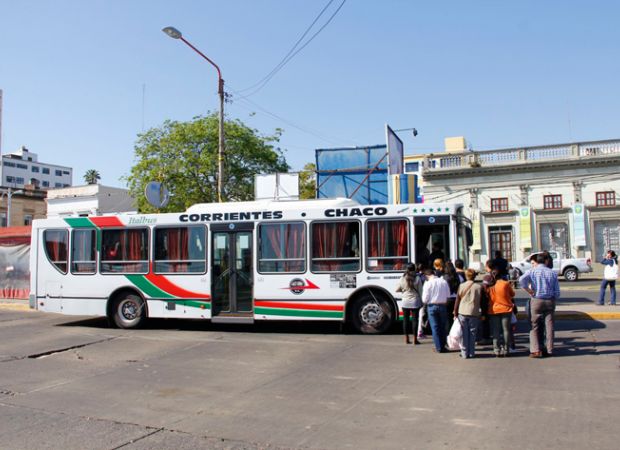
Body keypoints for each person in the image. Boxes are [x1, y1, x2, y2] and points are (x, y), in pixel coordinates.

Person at [519, 253, 560, 358]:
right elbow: (557, 291)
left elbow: (521, 280)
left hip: (537, 299)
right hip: (550, 300)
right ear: (545, 261)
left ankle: (536, 350)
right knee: (549, 326)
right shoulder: (552, 273)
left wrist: (529, 290)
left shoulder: (532, 271)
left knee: (534, 325)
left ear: (536, 262)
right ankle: (550, 349)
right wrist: (554, 298)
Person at [453, 269, 483, 358]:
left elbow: (457, 300)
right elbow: (482, 301)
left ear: (466, 276)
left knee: (463, 333)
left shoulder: (461, 286)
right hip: (474, 311)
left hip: (462, 311)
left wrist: (455, 312)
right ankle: (472, 352)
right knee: (472, 333)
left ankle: (464, 352)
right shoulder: (478, 287)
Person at [487, 269, 516, 357]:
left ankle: (496, 350)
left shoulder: (490, 285)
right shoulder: (505, 283)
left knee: (496, 330)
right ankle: (506, 350)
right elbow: (512, 294)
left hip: (494, 309)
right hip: (506, 308)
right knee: (506, 330)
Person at [421, 268, 451, 353]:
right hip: (442, 306)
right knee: (442, 327)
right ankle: (443, 346)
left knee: (435, 328)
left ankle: (438, 347)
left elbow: (424, 299)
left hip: (432, 306)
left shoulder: (428, 283)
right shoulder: (443, 282)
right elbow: (448, 295)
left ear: (426, 276)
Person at [396, 263, 423, 344]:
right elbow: (421, 291)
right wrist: (422, 302)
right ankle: (415, 339)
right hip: (415, 301)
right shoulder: (417, 278)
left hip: (405, 301)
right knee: (415, 320)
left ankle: (406, 338)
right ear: (414, 269)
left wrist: (403, 290)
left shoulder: (402, 278)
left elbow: (397, 289)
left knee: (405, 320)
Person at [443, 261, 461, 331]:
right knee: (456, 317)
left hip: (447, 299)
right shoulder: (458, 277)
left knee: (448, 318)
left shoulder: (443, 277)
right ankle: (456, 333)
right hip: (456, 299)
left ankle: (449, 334)